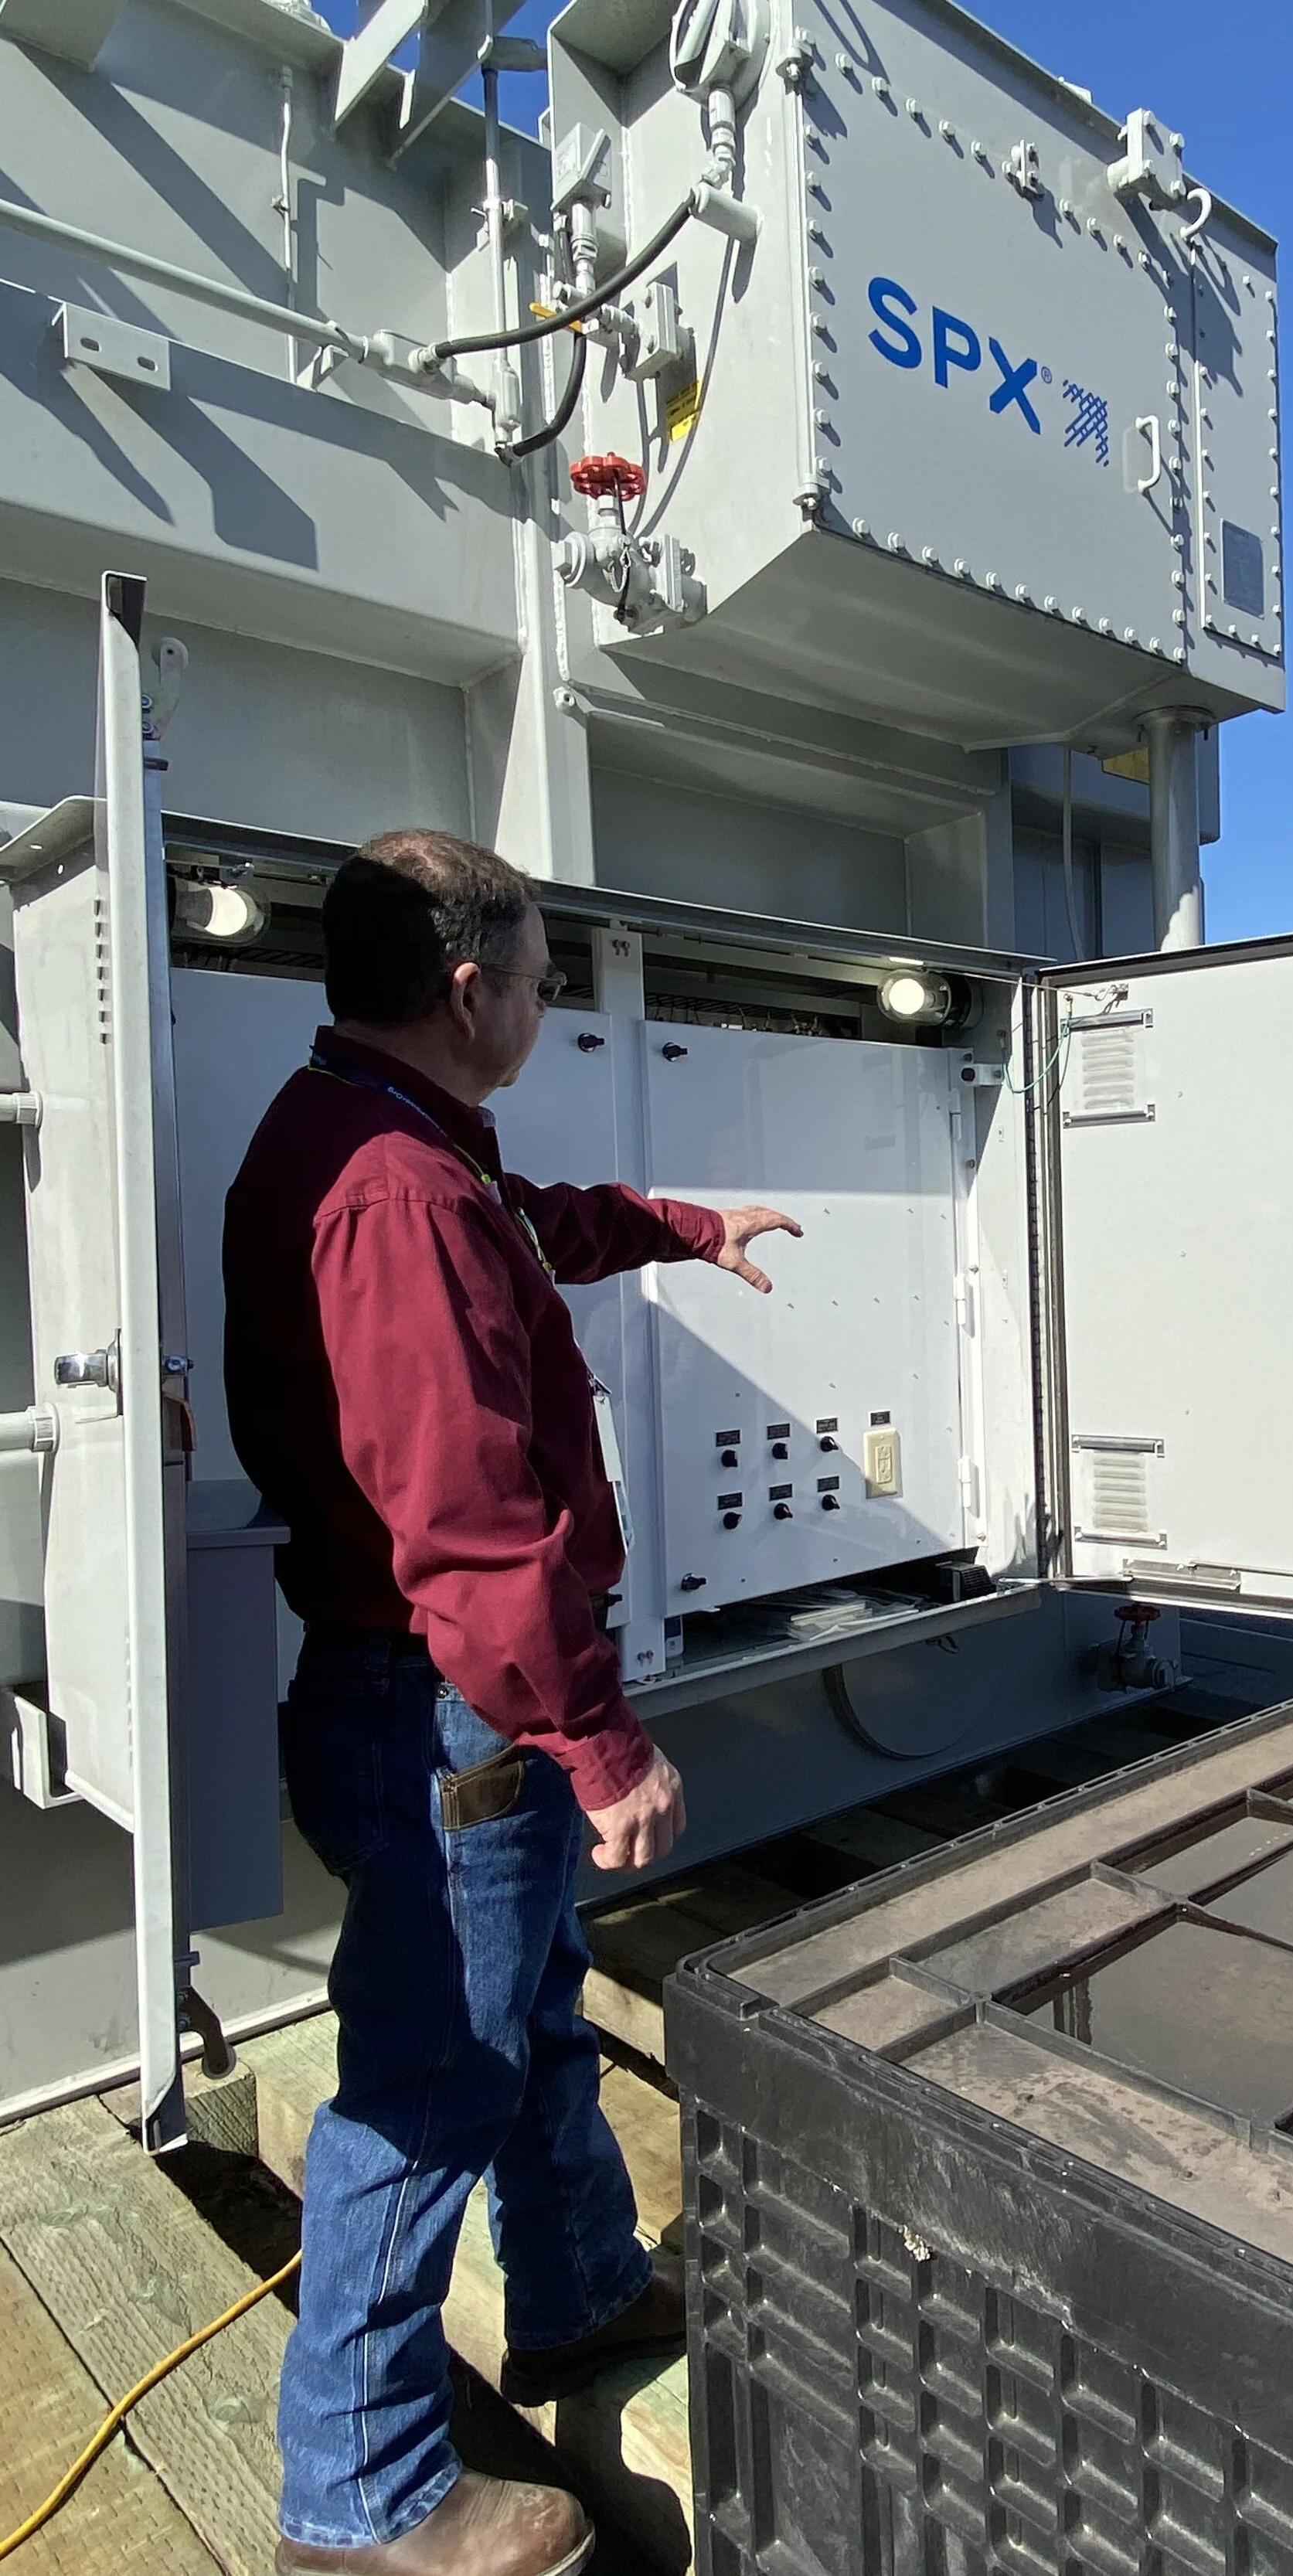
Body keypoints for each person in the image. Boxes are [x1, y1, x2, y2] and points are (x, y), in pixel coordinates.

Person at [226, 829, 800, 2576]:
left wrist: (683, 1226)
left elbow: (533, 1225)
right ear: (470, 990)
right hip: (449, 1705)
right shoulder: (392, 1189)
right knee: (431, 2077)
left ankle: (570, 2294)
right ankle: (362, 2485)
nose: (550, 1003)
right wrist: (599, 1739)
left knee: (531, 2002)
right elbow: (466, 1521)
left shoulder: (389, 1142)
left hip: (438, 1699)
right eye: (546, 978)